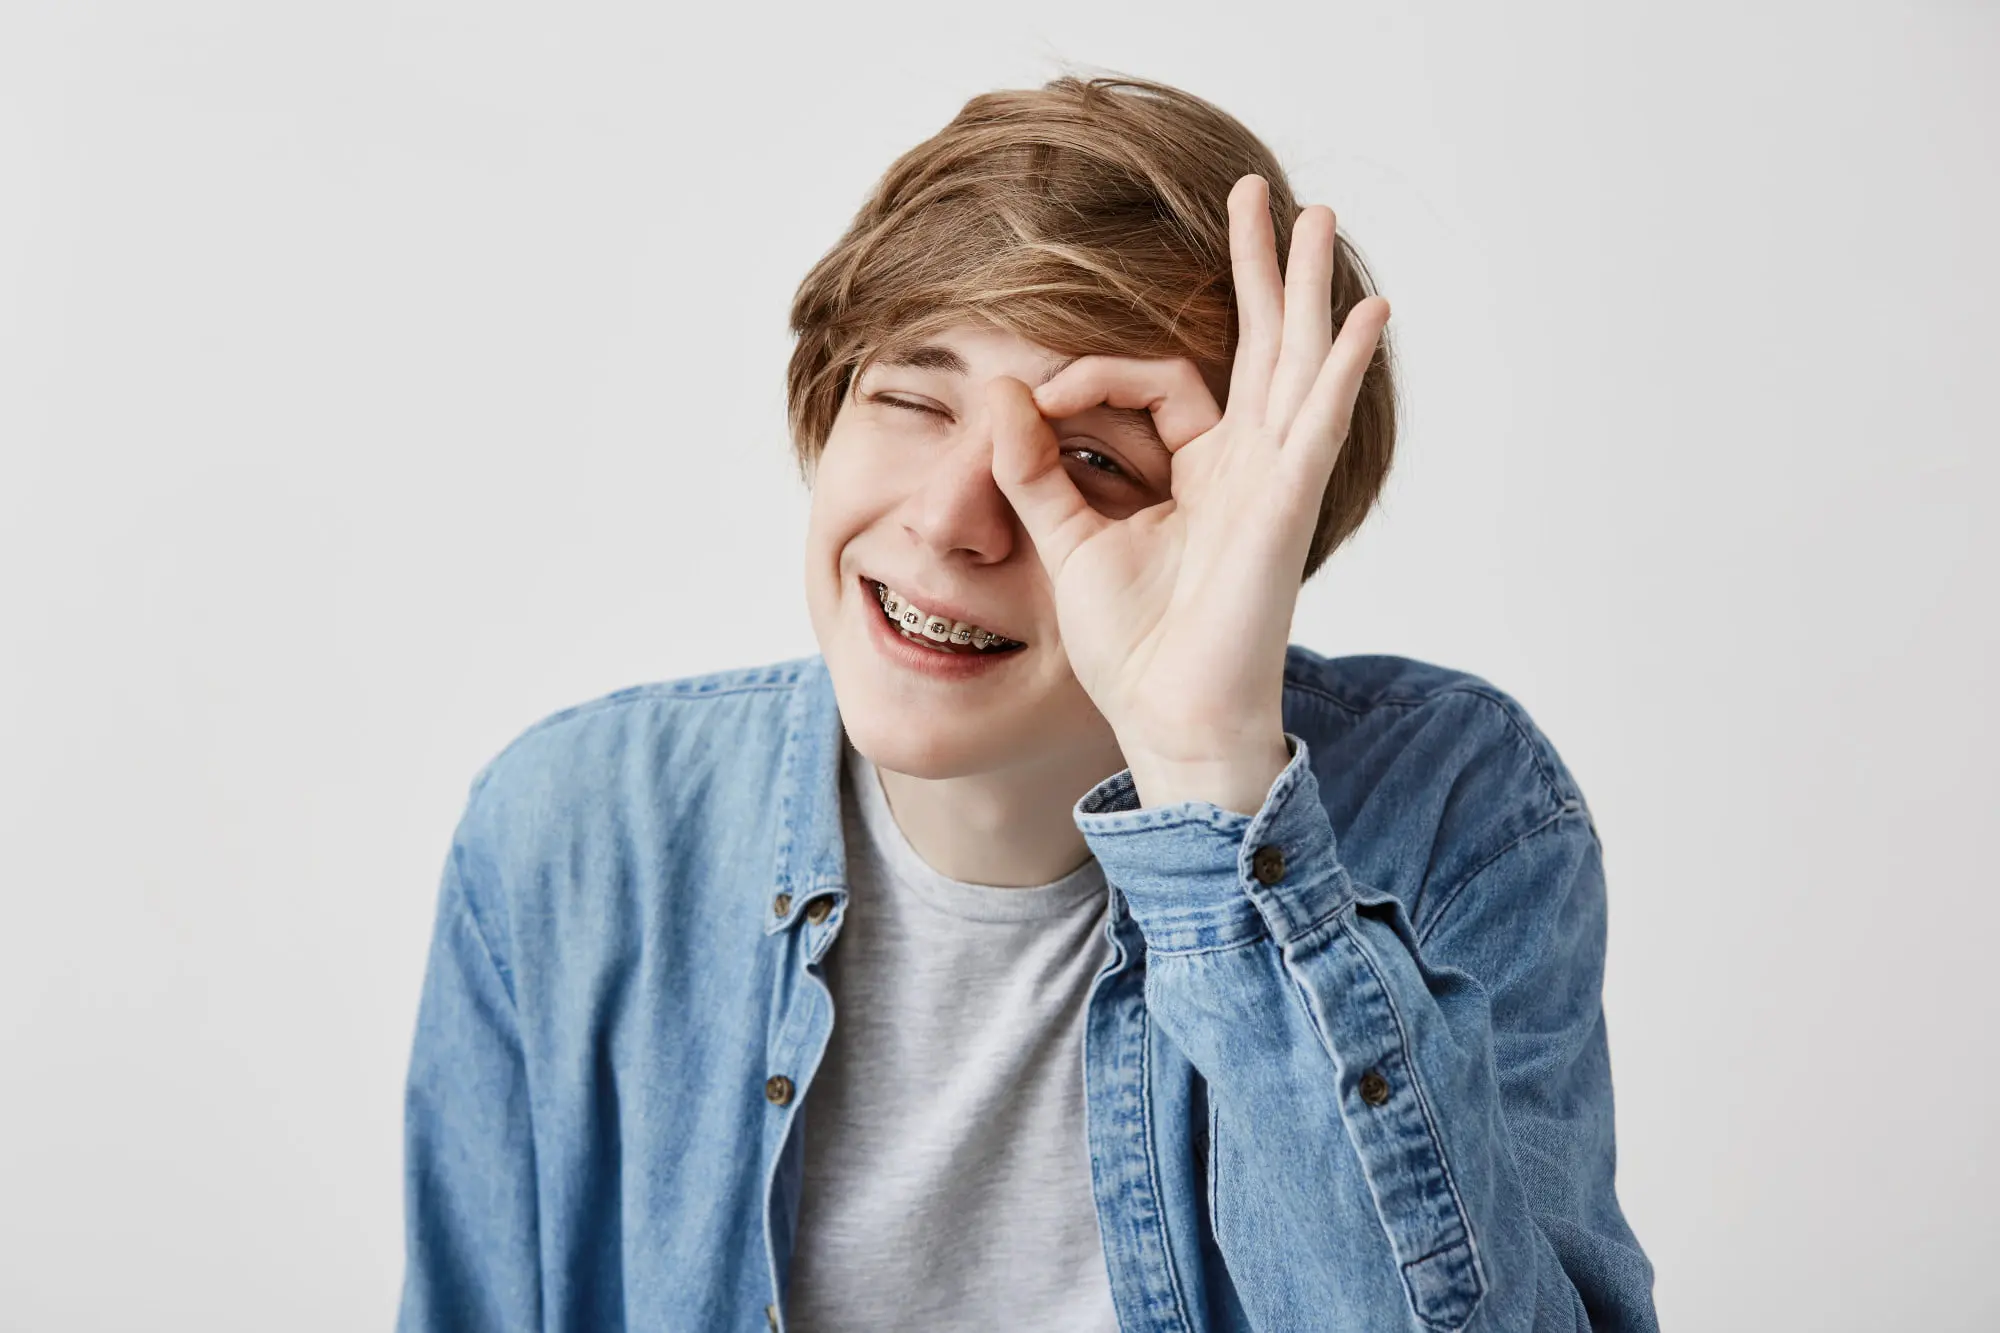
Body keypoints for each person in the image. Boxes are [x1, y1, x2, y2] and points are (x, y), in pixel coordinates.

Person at [395, 72, 1659, 1333]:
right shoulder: (569, 837)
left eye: (1095, 462)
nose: (952, 518)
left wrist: (1208, 781)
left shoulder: (1454, 816)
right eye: (911, 400)